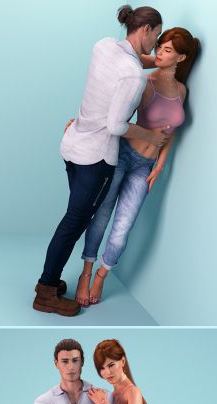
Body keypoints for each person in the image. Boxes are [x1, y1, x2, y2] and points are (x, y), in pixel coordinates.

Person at [33, 5, 169, 317]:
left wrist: (157, 62)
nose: (156, 45)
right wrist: (151, 137)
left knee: (73, 219)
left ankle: (49, 283)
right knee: (74, 222)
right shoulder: (133, 77)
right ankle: (46, 291)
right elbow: (116, 126)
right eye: (157, 36)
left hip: (72, 146)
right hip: (96, 158)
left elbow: (136, 59)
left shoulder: (104, 45)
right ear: (146, 30)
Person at [75, 27, 200, 306]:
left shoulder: (182, 90)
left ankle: (101, 276)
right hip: (121, 157)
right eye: (160, 47)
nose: (159, 53)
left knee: (123, 228)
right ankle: (86, 273)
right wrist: (81, 125)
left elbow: (172, 131)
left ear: (181, 58)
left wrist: (160, 166)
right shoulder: (144, 82)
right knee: (102, 217)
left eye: (167, 50)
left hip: (146, 166)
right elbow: (116, 117)